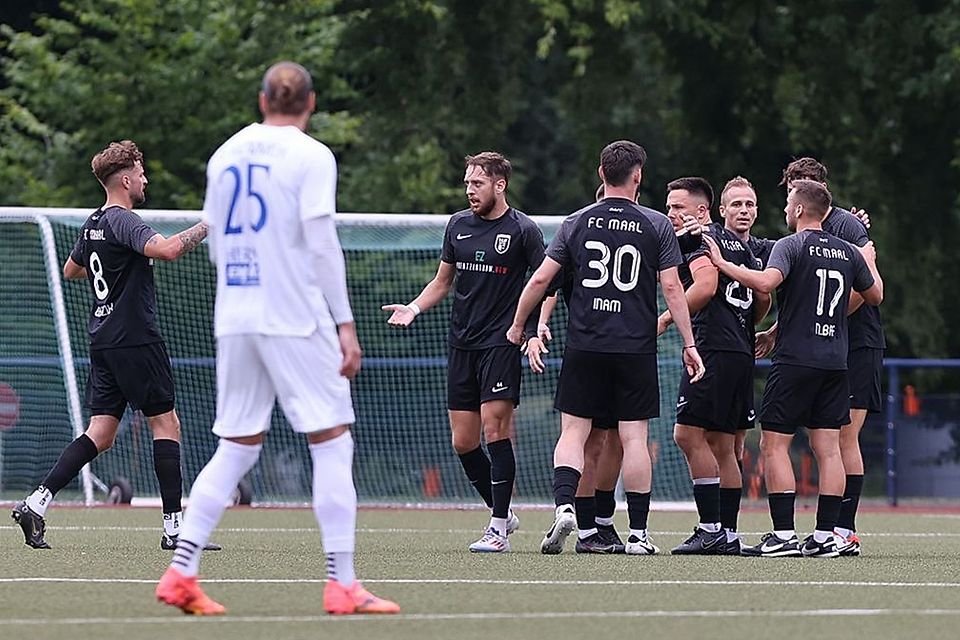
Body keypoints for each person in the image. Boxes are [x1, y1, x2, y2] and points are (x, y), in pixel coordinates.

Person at [155, 61, 399, 616]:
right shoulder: (313, 156)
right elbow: (320, 243)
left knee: (236, 445)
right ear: (310, 104)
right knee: (332, 441)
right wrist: (344, 323)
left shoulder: (224, 155)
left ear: (262, 100)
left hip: (236, 314)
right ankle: (342, 583)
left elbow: (216, 240)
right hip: (293, 316)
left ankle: (181, 572)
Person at [11, 140, 216, 552]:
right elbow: (170, 249)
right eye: (141, 173)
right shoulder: (125, 221)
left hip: (103, 340)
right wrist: (210, 224)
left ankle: (36, 503)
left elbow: (73, 270)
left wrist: (113, 271)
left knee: (101, 433)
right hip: (135, 339)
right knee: (167, 425)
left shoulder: (93, 223)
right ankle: (175, 529)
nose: (145, 179)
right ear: (124, 179)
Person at [507, 140, 705, 556]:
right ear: (638, 177)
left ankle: (565, 507)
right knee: (634, 438)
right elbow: (671, 285)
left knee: (574, 433)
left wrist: (518, 324)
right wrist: (689, 342)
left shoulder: (576, 220)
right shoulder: (656, 223)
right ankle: (637, 535)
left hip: (585, 344)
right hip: (633, 346)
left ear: (601, 174)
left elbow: (542, 280)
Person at [702, 179, 883, 558]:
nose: (784, 210)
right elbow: (875, 295)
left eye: (788, 203)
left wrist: (722, 264)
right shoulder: (848, 251)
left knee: (774, 444)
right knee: (829, 449)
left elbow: (767, 282)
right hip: (836, 360)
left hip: (796, 359)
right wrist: (868, 260)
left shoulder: (791, 245)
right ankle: (825, 536)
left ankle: (783, 534)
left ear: (800, 210)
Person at [382, 152, 543, 553]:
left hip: (502, 342)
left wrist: (534, 330)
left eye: (478, 183)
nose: (470, 190)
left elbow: (543, 282)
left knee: (495, 430)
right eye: (467, 183)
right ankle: (502, 510)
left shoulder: (523, 230)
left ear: (499, 185)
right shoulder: (458, 225)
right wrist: (414, 307)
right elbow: (442, 281)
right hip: (461, 343)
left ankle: (497, 530)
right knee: (463, 441)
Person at [769, 157, 885, 556]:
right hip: (825, 343)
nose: (792, 196)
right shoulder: (801, 236)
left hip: (855, 342)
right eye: (790, 186)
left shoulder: (846, 227)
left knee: (842, 437)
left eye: (799, 187)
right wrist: (780, 329)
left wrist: (823, 322)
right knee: (828, 439)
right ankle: (830, 532)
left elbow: (864, 291)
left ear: (815, 192)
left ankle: (842, 530)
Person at [657, 177, 770, 556]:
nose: (671, 214)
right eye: (669, 207)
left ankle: (709, 529)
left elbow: (704, 287)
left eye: (678, 208)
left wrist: (665, 319)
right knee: (724, 446)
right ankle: (729, 535)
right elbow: (762, 298)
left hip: (714, 348)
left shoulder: (701, 239)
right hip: (739, 350)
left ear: (703, 212)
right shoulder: (744, 247)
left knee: (686, 435)